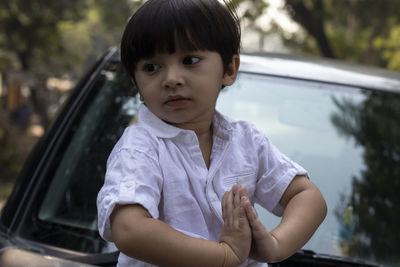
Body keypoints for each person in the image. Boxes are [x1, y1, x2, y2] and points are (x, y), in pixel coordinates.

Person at [97, 0, 327, 266]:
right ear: (137, 83)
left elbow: (307, 197)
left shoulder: (246, 141)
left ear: (229, 70)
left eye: (190, 60)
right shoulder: (140, 148)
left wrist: (275, 245)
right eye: (151, 67)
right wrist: (224, 256)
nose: (171, 78)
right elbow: (129, 230)